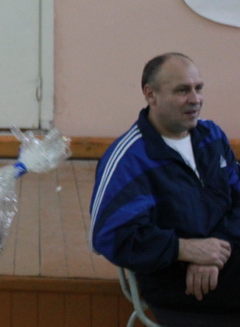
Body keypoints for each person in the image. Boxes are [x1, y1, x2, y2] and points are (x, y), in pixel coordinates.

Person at [89, 52, 240, 324]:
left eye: (198, 88)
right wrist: (184, 249)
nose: (195, 99)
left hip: (224, 258)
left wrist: (216, 249)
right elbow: (110, 237)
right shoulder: (131, 159)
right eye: (182, 90)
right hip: (175, 280)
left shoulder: (211, 137)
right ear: (151, 94)